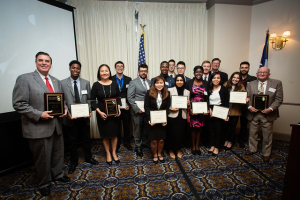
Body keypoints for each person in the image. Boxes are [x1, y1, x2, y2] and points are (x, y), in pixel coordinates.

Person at [12, 52, 69, 196]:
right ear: (36, 62)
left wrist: (65, 110)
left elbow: (62, 102)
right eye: (41, 60)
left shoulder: (56, 81)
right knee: (42, 158)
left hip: (57, 125)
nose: (44, 63)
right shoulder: (24, 79)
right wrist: (39, 114)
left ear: (51, 63)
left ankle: (58, 174)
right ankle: (44, 182)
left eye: (47, 61)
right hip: (38, 127)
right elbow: (19, 104)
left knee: (58, 154)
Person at [61, 60, 98, 174]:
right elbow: (62, 101)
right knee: (72, 140)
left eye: (77, 68)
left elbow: (89, 99)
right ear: (69, 68)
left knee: (86, 138)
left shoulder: (86, 83)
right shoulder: (62, 83)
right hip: (71, 117)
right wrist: (67, 113)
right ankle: (73, 162)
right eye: (73, 68)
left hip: (84, 116)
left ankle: (88, 157)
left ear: (80, 70)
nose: (75, 70)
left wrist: (90, 110)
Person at [246, 66, 283, 162]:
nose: (262, 74)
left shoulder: (276, 83)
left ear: (269, 74)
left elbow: (279, 99)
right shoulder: (250, 84)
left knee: (267, 134)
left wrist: (270, 109)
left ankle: (266, 153)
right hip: (253, 113)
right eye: (260, 72)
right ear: (257, 74)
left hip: (267, 113)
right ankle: (252, 149)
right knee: (252, 133)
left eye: (265, 72)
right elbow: (247, 97)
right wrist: (249, 107)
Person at [91, 64, 121, 165]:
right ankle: (108, 153)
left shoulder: (114, 83)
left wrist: (119, 108)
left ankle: (114, 153)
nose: (104, 73)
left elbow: (118, 97)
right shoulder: (96, 85)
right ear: (99, 73)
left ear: (109, 72)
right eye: (102, 71)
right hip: (102, 113)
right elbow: (92, 100)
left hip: (114, 114)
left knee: (114, 134)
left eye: (106, 71)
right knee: (105, 135)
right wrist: (99, 112)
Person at [145, 76, 170, 163]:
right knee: (154, 140)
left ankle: (159, 154)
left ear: (164, 84)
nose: (159, 85)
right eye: (157, 83)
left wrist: (165, 119)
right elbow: (147, 107)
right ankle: (155, 154)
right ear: (154, 84)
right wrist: (149, 119)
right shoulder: (149, 93)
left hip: (162, 120)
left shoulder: (167, 93)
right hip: (152, 120)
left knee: (161, 139)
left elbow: (167, 107)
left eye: (161, 83)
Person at [127, 64, 151, 157]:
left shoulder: (149, 82)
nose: (143, 72)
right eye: (141, 71)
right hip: (137, 110)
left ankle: (144, 142)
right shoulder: (133, 82)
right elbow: (130, 97)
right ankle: (138, 147)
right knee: (137, 129)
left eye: (145, 71)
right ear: (138, 72)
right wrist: (137, 109)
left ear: (147, 72)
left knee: (146, 128)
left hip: (147, 110)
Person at [185, 66, 208, 155]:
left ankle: (197, 146)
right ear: (194, 73)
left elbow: (207, 97)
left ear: (202, 73)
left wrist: (207, 109)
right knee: (193, 128)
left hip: (202, 109)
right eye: (197, 72)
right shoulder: (189, 83)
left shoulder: (206, 83)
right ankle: (193, 146)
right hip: (192, 109)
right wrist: (189, 108)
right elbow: (186, 96)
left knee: (199, 128)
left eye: (200, 72)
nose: (198, 73)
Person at [168, 74, 190, 159]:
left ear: (183, 81)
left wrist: (188, 104)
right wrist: (170, 108)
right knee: (171, 134)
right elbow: (166, 104)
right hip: (172, 115)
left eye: (181, 80)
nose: (179, 82)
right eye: (177, 80)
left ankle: (177, 150)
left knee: (180, 134)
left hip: (182, 115)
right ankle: (170, 150)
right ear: (175, 81)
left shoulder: (187, 92)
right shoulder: (170, 90)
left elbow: (188, 106)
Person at [111, 61, 133, 151]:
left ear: (123, 68)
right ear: (115, 68)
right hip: (115, 106)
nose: (120, 67)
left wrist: (129, 104)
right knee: (117, 125)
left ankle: (127, 142)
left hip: (126, 107)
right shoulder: (111, 78)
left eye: (121, 66)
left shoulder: (128, 79)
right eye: (118, 66)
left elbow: (130, 93)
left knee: (127, 125)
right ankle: (118, 143)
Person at [223, 72, 246, 150]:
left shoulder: (241, 86)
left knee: (233, 127)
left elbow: (243, 97)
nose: (235, 79)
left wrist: (245, 99)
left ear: (239, 79)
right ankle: (226, 140)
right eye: (234, 77)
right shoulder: (225, 84)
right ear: (231, 77)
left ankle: (230, 141)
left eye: (237, 78)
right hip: (225, 110)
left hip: (235, 110)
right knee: (225, 127)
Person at [208, 72, 229, 156]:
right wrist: (209, 109)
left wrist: (226, 114)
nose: (216, 80)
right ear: (211, 79)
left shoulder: (224, 89)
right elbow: (206, 100)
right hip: (210, 110)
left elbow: (226, 103)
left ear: (220, 79)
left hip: (220, 110)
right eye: (214, 78)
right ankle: (212, 145)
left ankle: (217, 147)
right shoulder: (208, 88)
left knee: (218, 130)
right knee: (211, 130)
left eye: (218, 78)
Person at [238, 61, 257, 148]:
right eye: (242, 67)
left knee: (244, 123)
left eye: (246, 67)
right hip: (236, 104)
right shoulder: (236, 77)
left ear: (249, 68)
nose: (244, 69)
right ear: (239, 68)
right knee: (232, 123)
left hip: (246, 105)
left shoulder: (253, 79)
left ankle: (241, 139)